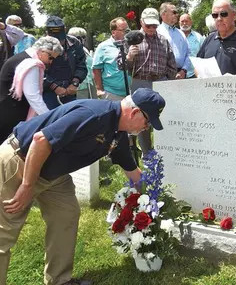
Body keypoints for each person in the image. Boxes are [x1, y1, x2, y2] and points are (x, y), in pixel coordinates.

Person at [0, 88, 163, 285]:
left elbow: (134, 173)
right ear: (135, 112)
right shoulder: (93, 115)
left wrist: (155, 201)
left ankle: (59, 280)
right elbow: (40, 141)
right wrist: (27, 186)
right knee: (4, 233)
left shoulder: (118, 132)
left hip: (53, 174)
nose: (147, 128)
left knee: (66, 216)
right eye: (147, 122)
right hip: (21, 162)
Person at [126, 8, 177, 156]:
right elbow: (120, 65)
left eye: (155, 26)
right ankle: (147, 153)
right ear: (141, 22)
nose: (152, 29)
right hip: (140, 81)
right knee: (141, 120)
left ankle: (164, 151)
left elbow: (171, 64)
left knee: (162, 117)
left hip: (160, 82)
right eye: (148, 26)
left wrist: (168, 80)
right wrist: (129, 57)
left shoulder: (163, 40)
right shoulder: (132, 39)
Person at [0, 37, 63, 142]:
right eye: (51, 57)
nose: (51, 62)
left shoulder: (21, 57)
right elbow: (33, 96)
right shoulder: (32, 65)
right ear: (42, 51)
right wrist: (49, 118)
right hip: (10, 112)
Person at [42, 16, 88, 109]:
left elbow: (81, 65)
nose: (58, 42)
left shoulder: (75, 43)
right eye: (55, 39)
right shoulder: (40, 46)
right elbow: (39, 72)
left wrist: (75, 83)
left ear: (65, 30)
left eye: (60, 39)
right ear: (47, 33)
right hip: (49, 91)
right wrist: (54, 87)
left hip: (69, 90)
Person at [92, 17, 131, 101]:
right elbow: (96, 68)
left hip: (131, 93)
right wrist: (99, 89)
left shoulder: (131, 45)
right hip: (111, 93)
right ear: (113, 32)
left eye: (127, 30)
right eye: (123, 30)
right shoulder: (103, 47)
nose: (126, 33)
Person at [157, 2, 192, 79]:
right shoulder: (157, 32)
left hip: (181, 75)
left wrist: (184, 70)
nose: (176, 14)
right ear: (163, 14)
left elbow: (188, 53)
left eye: (176, 12)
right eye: (174, 12)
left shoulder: (180, 33)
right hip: (163, 76)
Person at [68, 27, 96, 100]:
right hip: (80, 86)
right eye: (79, 37)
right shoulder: (71, 50)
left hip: (89, 83)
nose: (83, 39)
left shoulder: (84, 49)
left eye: (84, 37)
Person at [179, 13, 204, 78]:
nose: (184, 23)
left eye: (186, 21)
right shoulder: (174, 37)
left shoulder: (199, 37)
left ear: (191, 22)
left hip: (195, 74)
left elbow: (204, 55)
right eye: (182, 21)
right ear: (179, 23)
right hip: (178, 74)